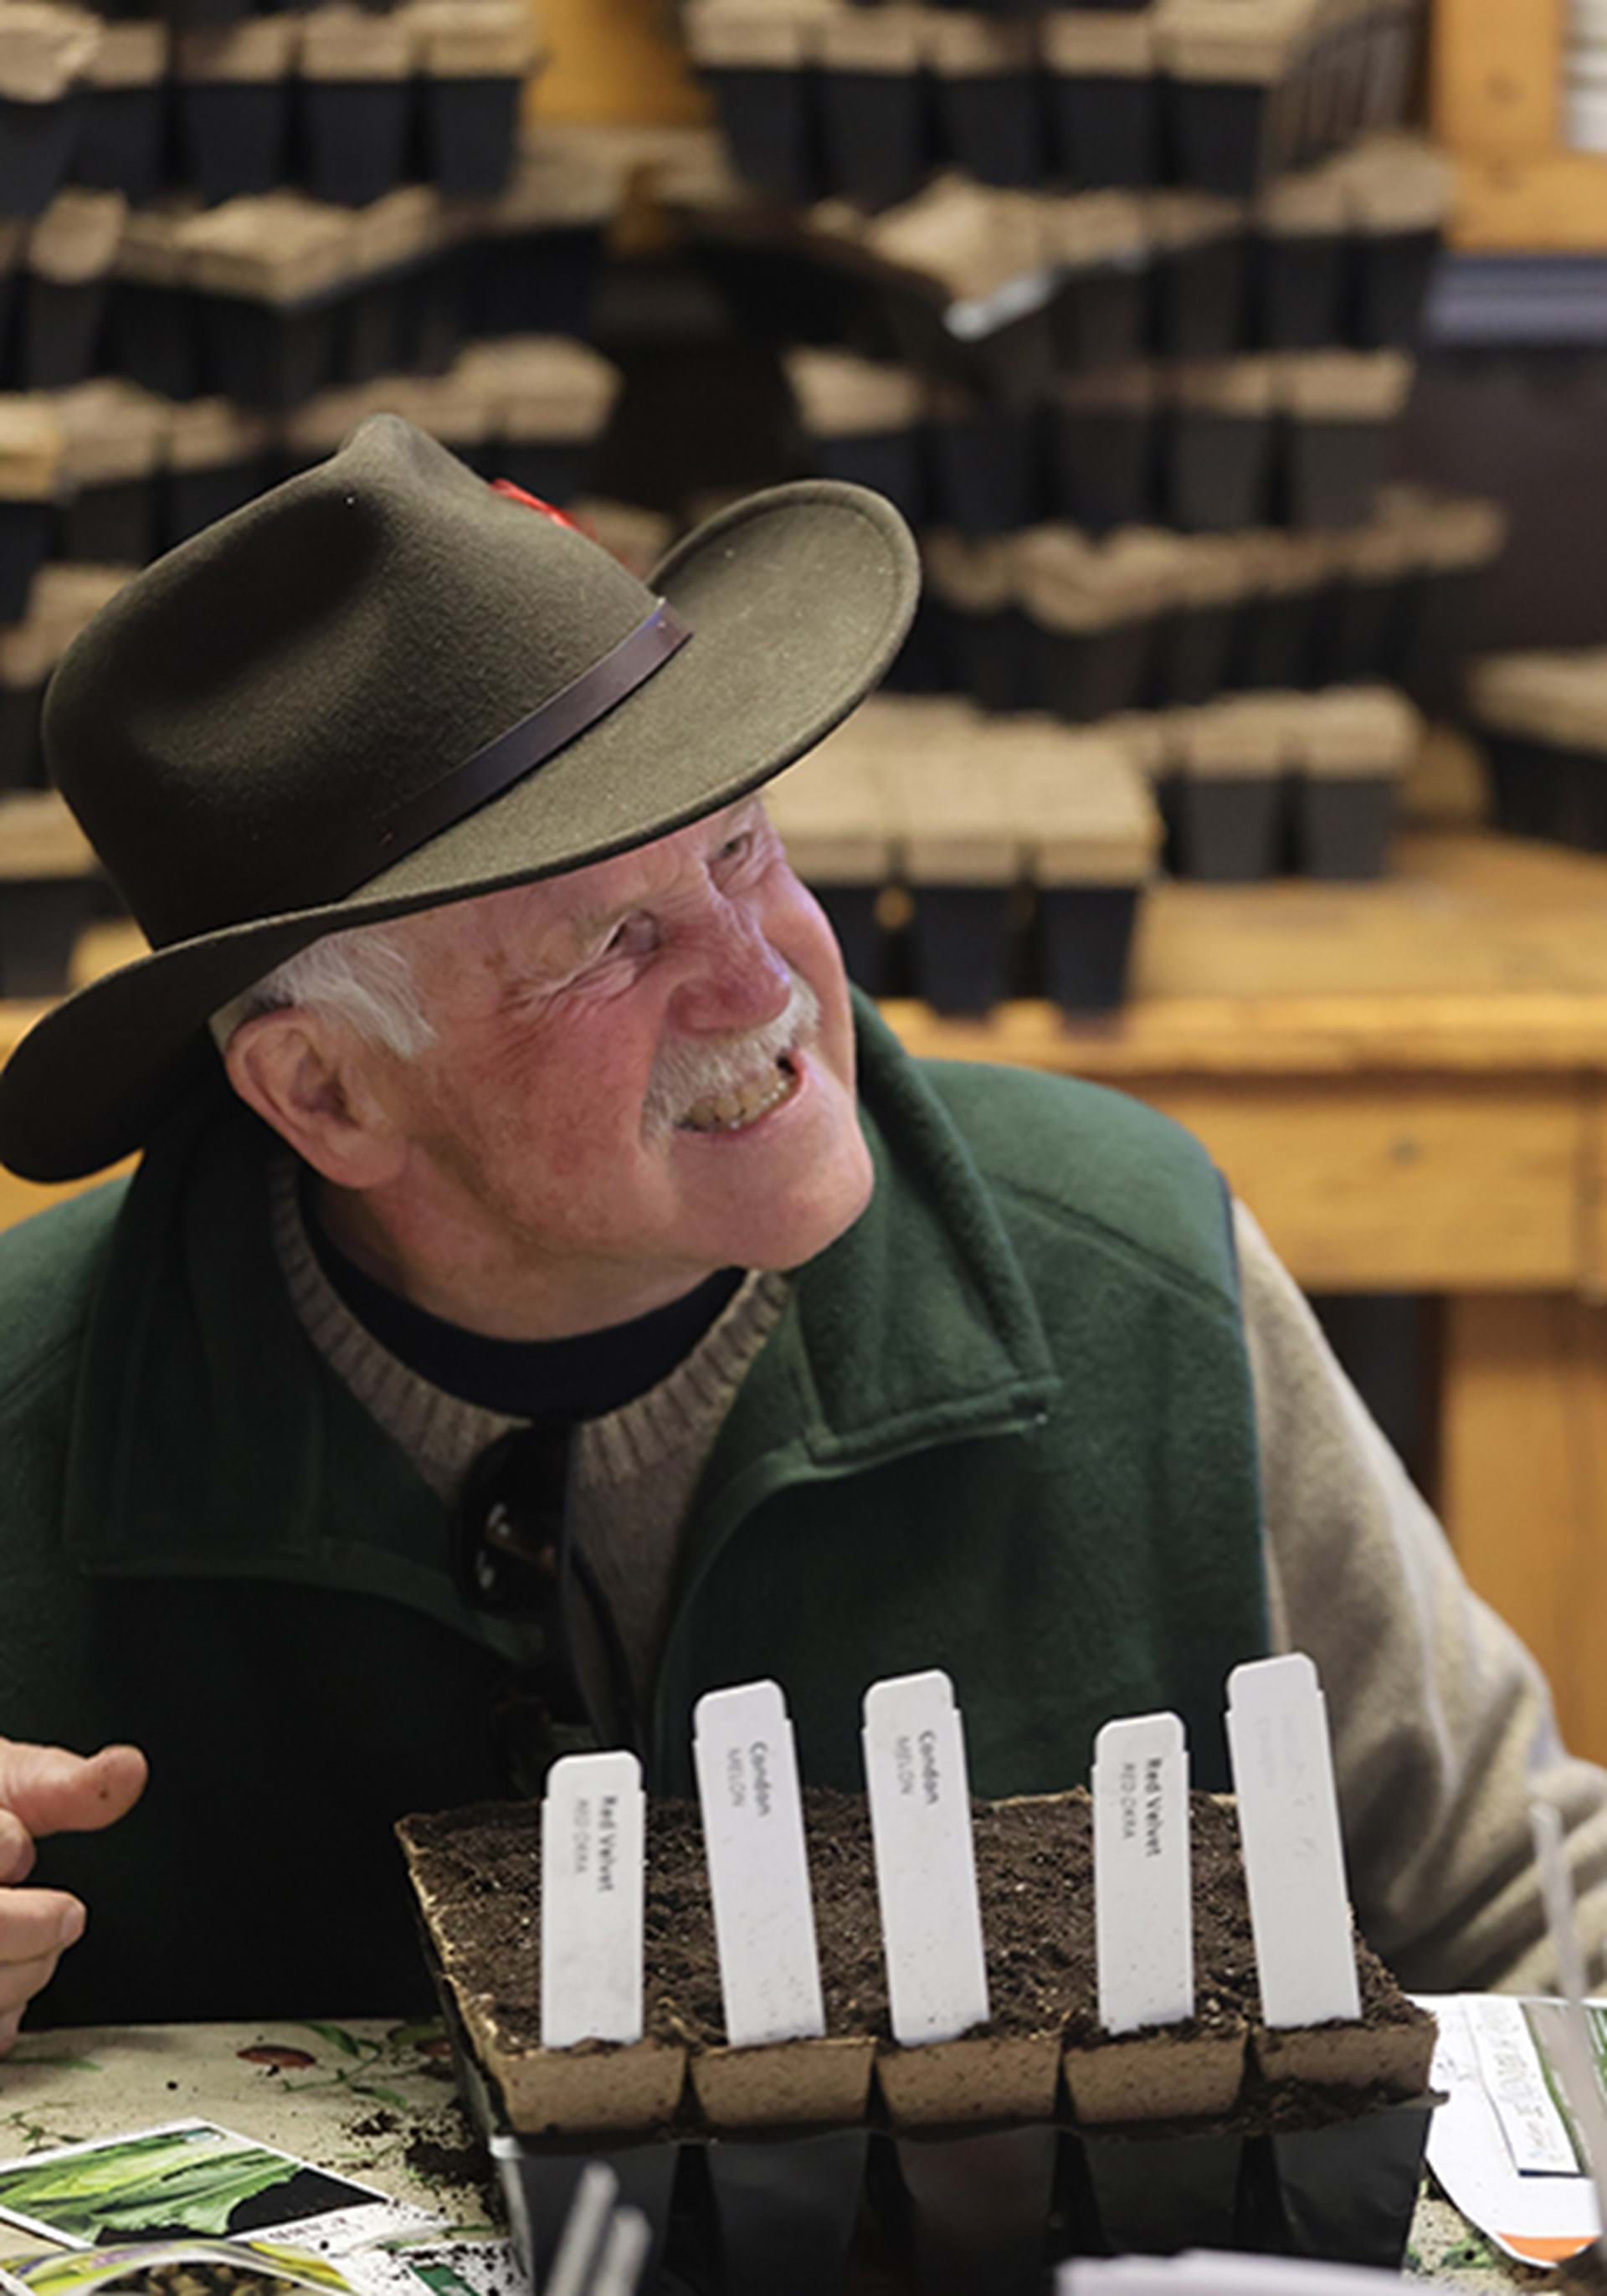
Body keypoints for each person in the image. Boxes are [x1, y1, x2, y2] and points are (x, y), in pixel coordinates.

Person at [0, 416, 1603, 2048]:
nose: (761, 978)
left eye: (742, 846)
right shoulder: (21, 1416)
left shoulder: (1132, 1267)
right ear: (328, 1091)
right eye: (615, 942)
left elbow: (1533, 1904)